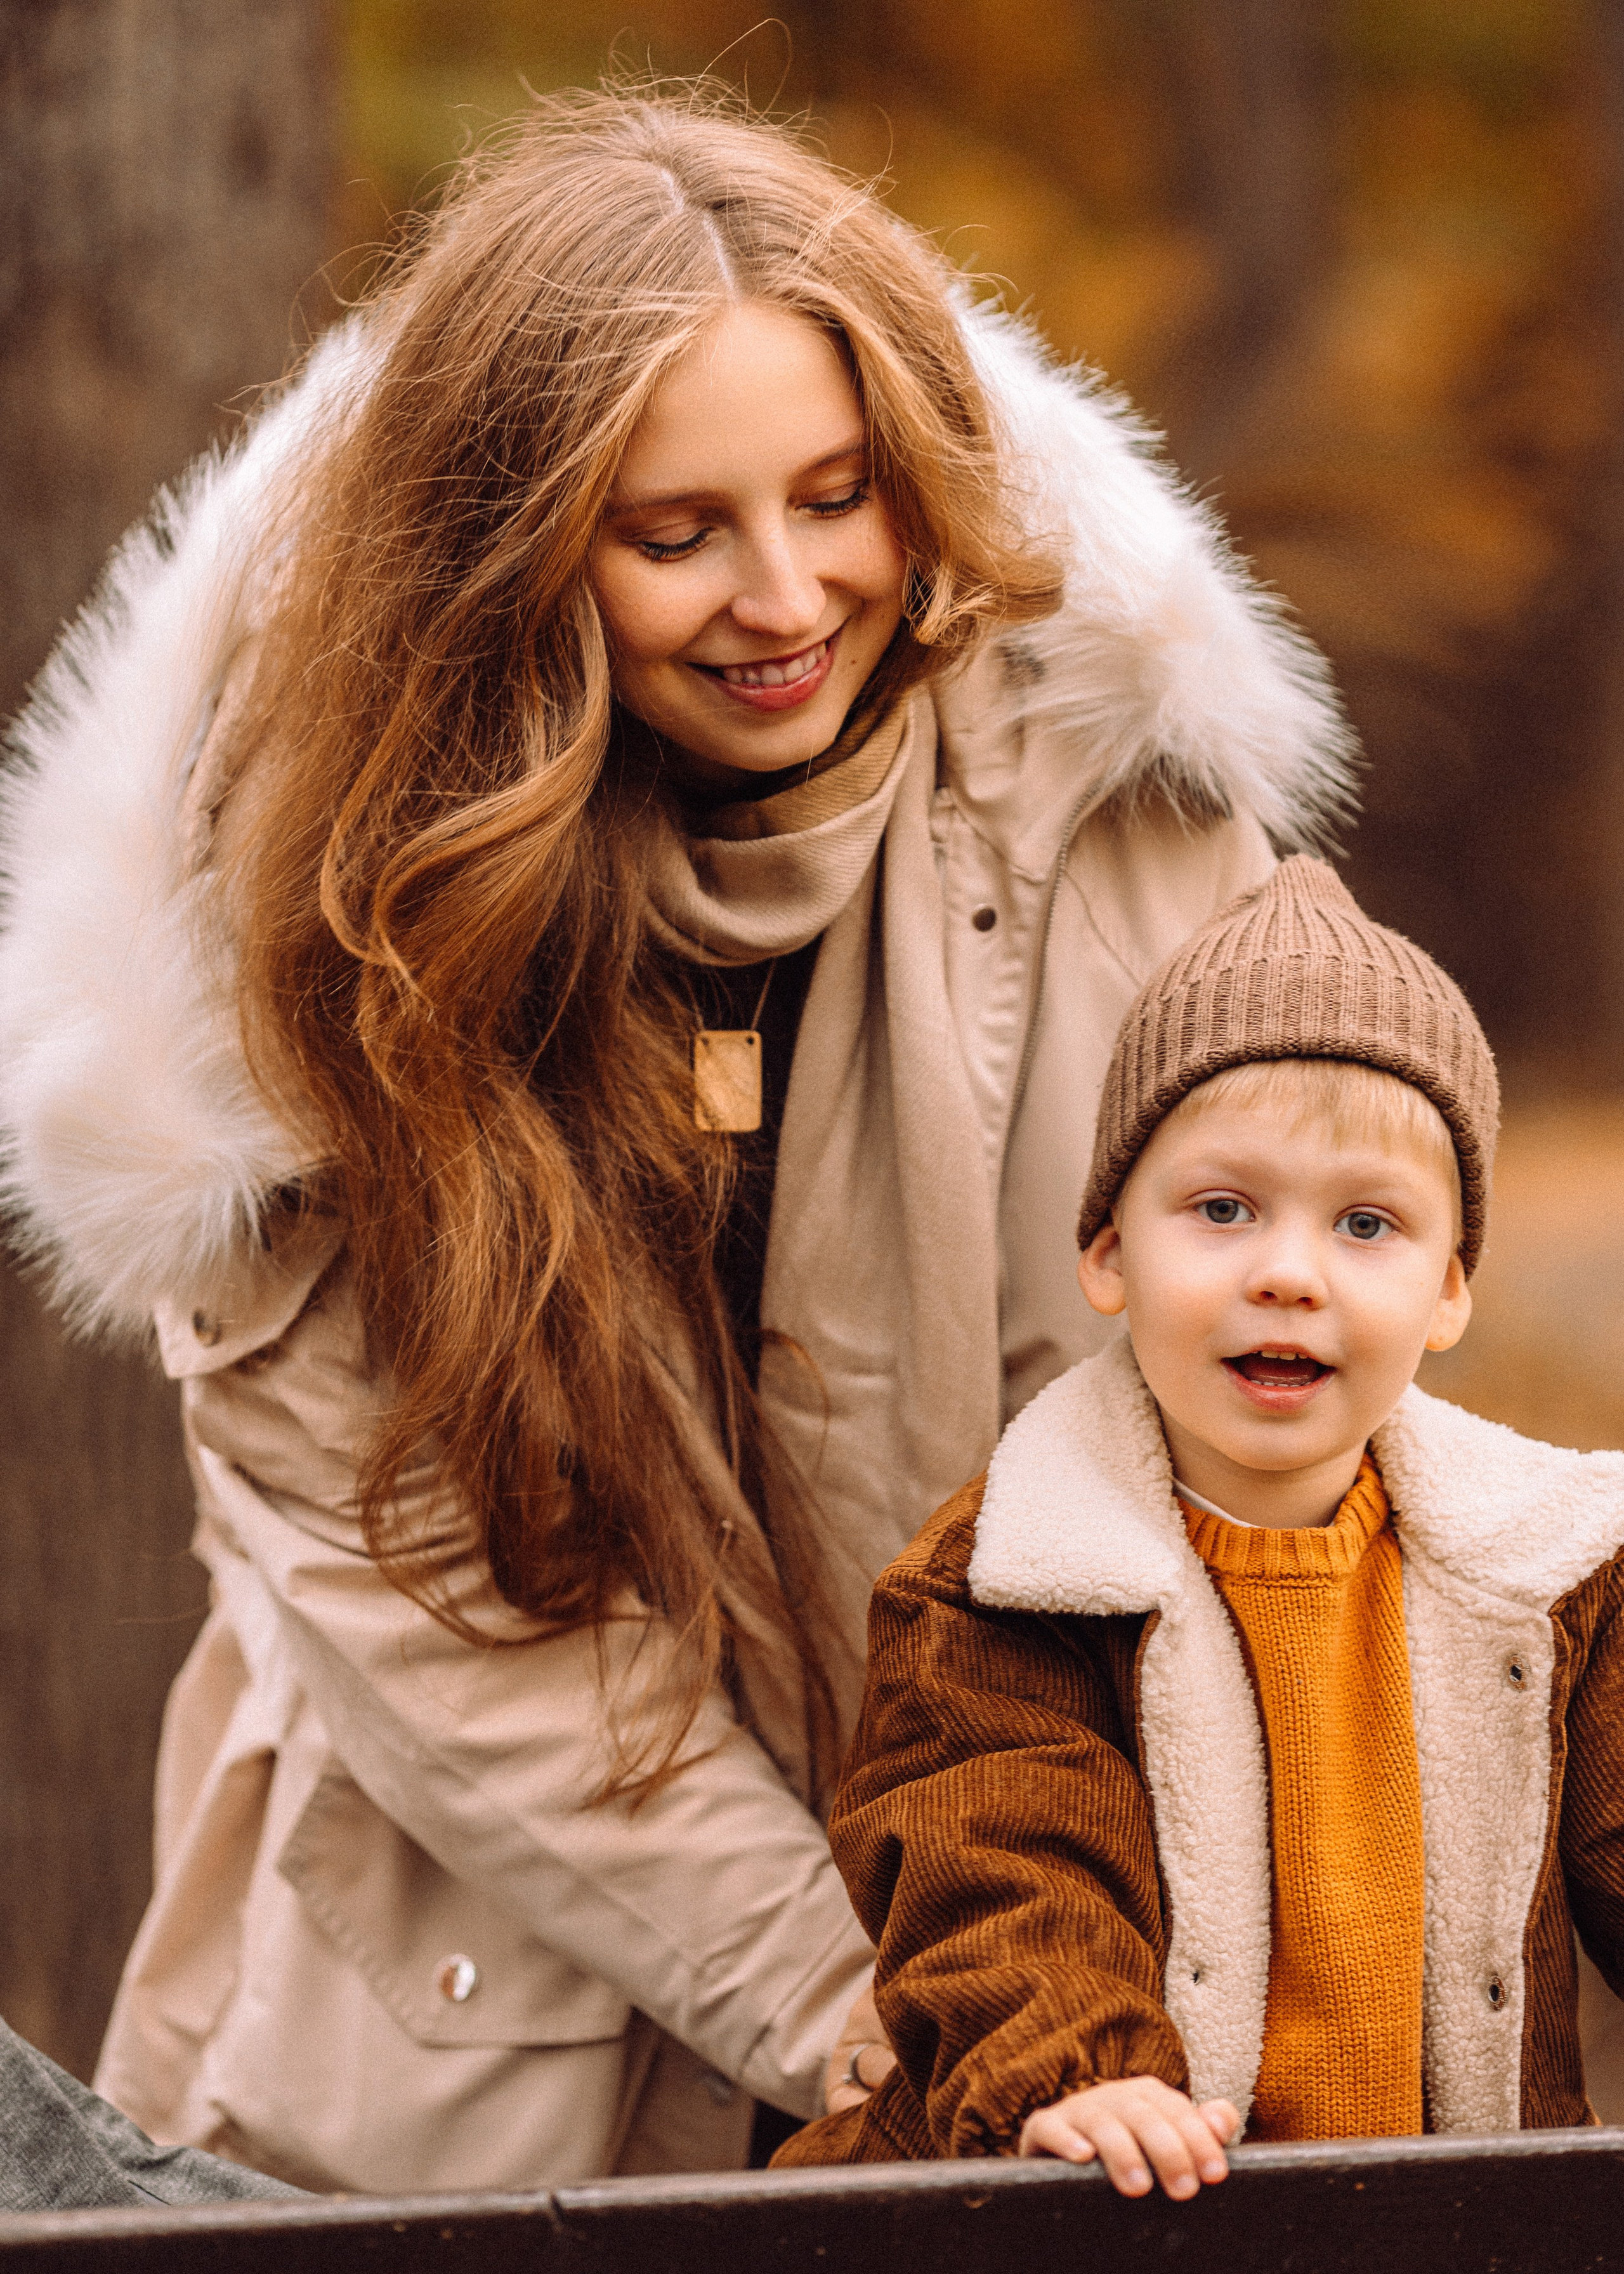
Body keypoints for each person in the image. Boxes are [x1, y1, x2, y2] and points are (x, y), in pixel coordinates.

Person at [0, 86, 1351, 2197]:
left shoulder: (1126, 802)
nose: (788, 592)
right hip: (472, 2044)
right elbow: (437, 1622)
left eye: (841, 495)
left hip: (1069, 2004)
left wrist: (1018, 1994)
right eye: (675, 531)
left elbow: (1327, 1365)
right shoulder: (280, 942)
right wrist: (867, 2022)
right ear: (512, 550)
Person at [777, 856, 1624, 2186]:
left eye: (1365, 1224)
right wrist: (1076, 2065)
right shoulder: (1008, 1581)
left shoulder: (1554, 1564)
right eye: (1221, 1209)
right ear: (1108, 1250)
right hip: (1108, 2196)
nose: (1285, 1273)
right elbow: (998, 1860)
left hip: (1431, 2217)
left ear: (1448, 1289)